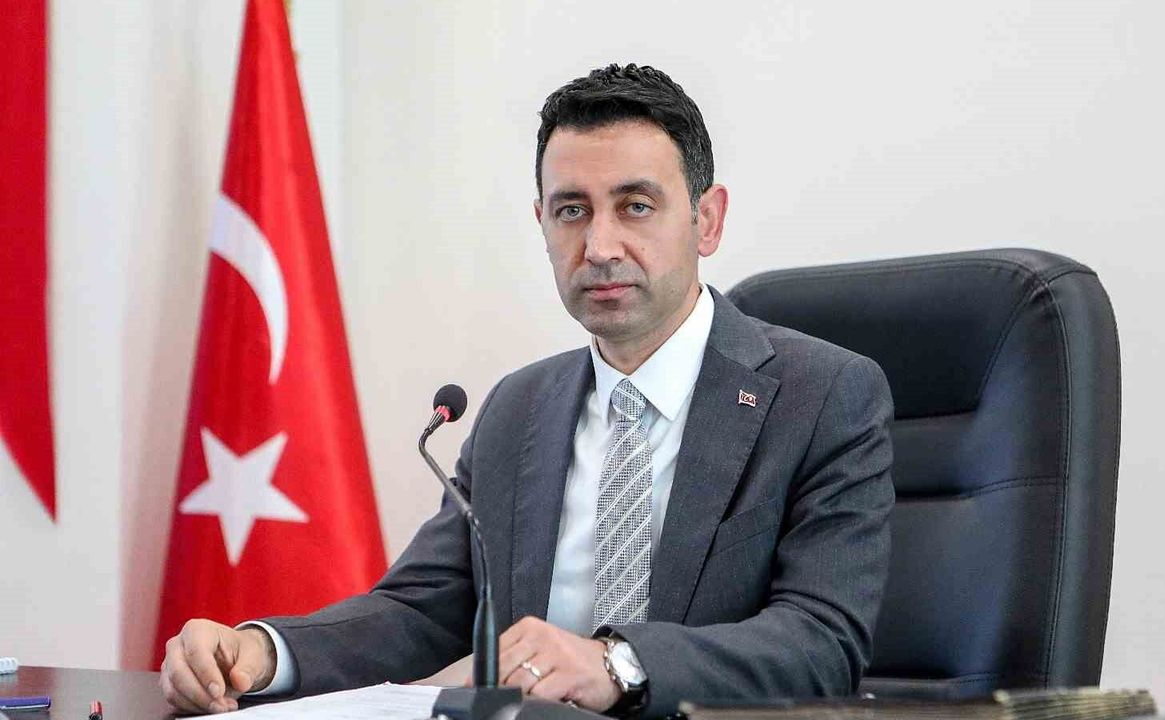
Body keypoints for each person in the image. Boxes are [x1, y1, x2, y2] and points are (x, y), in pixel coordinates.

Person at [160, 63, 895, 718]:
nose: (599, 247)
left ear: (707, 220)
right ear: (542, 222)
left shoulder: (822, 396)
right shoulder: (519, 408)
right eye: (572, 210)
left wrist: (615, 665)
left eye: (636, 206)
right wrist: (261, 652)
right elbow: (423, 609)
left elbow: (821, 640)